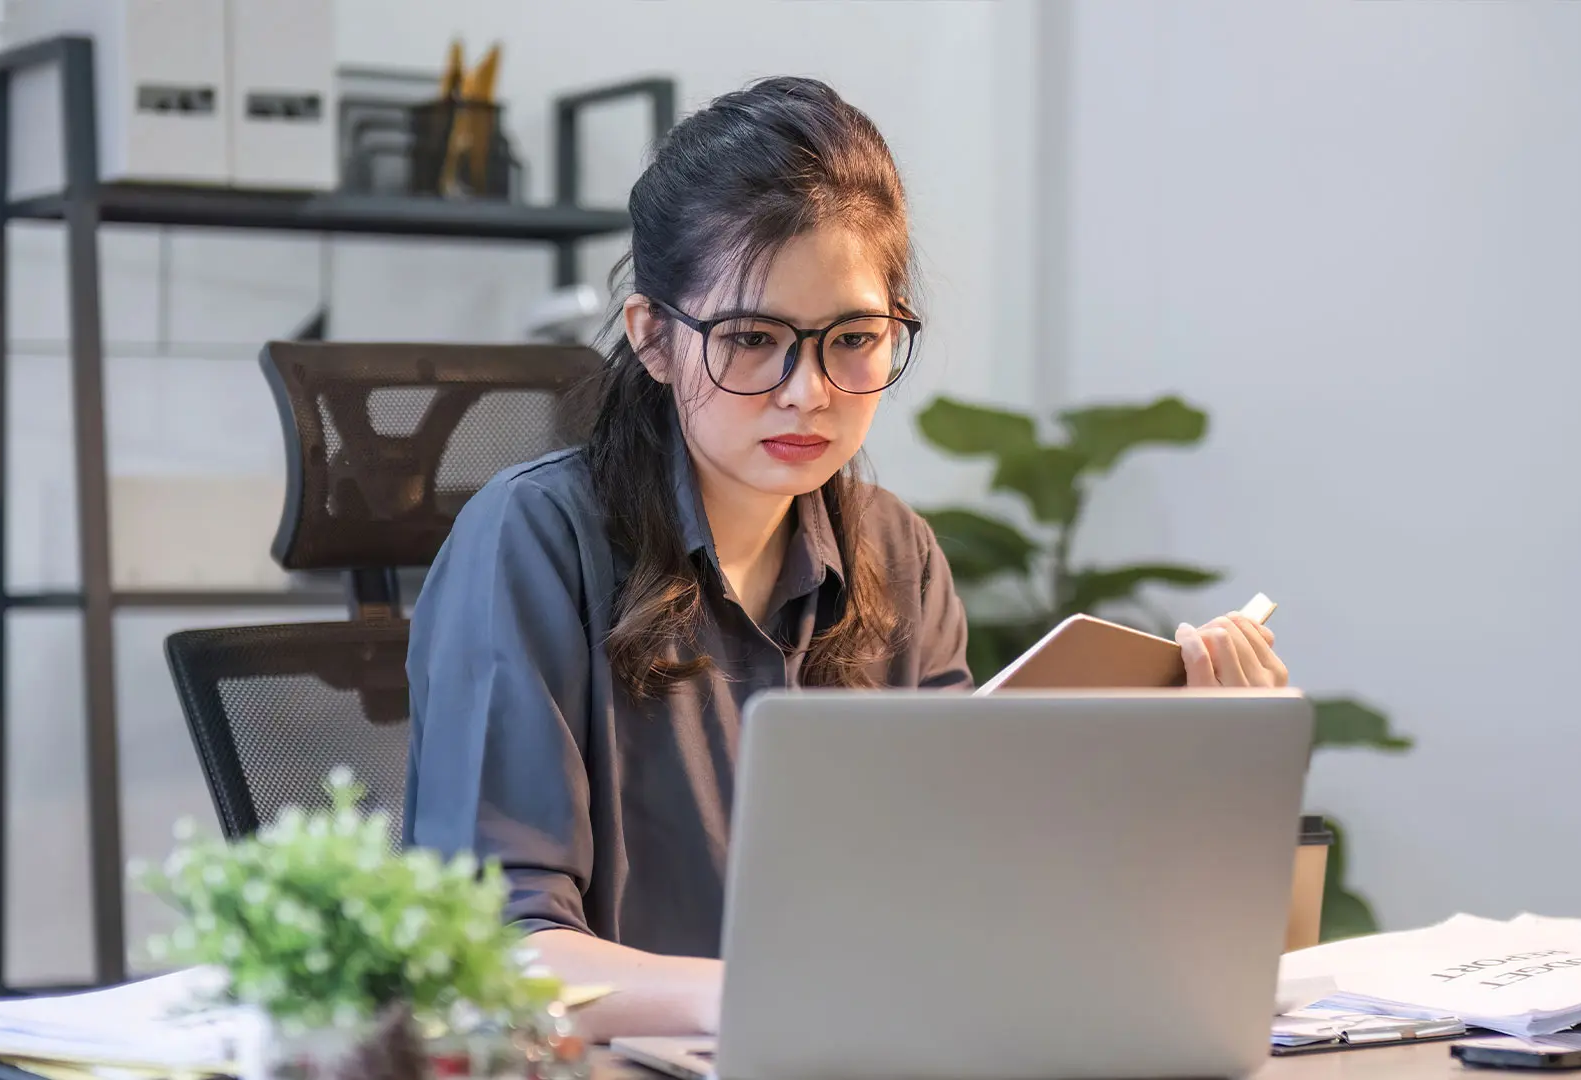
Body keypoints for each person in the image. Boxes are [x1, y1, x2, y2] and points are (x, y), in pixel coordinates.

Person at [402, 76, 1288, 1040]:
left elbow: (968, 900)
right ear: (653, 337)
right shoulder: (531, 540)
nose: (808, 392)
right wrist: (778, 999)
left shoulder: (895, 552)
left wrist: (1199, 776)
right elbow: (493, 953)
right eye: (751, 339)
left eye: (854, 339)